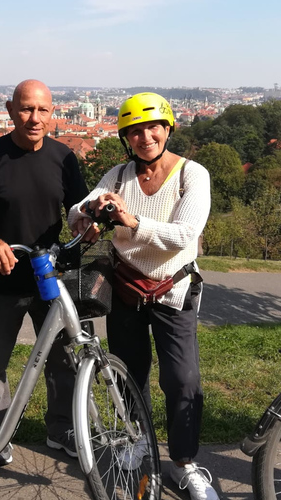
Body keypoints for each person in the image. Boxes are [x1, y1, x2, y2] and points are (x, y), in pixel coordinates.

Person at [68, 93, 217, 500]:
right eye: (134, 132)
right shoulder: (117, 176)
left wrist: (130, 221)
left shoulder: (192, 175)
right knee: (129, 374)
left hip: (173, 289)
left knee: (183, 381)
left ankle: (184, 463)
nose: (145, 137)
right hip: (126, 289)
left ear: (168, 129)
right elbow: (76, 212)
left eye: (153, 128)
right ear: (125, 139)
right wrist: (89, 211)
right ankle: (137, 439)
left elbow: (183, 236)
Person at [0, 79, 88, 466]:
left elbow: (78, 209)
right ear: (10, 109)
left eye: (42, 110)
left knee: (62, 359)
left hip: (50, 277)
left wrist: (84, 224)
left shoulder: (64, 158)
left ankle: (60, 430)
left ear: (53, 112)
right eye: (26, 108)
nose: (34, 117)